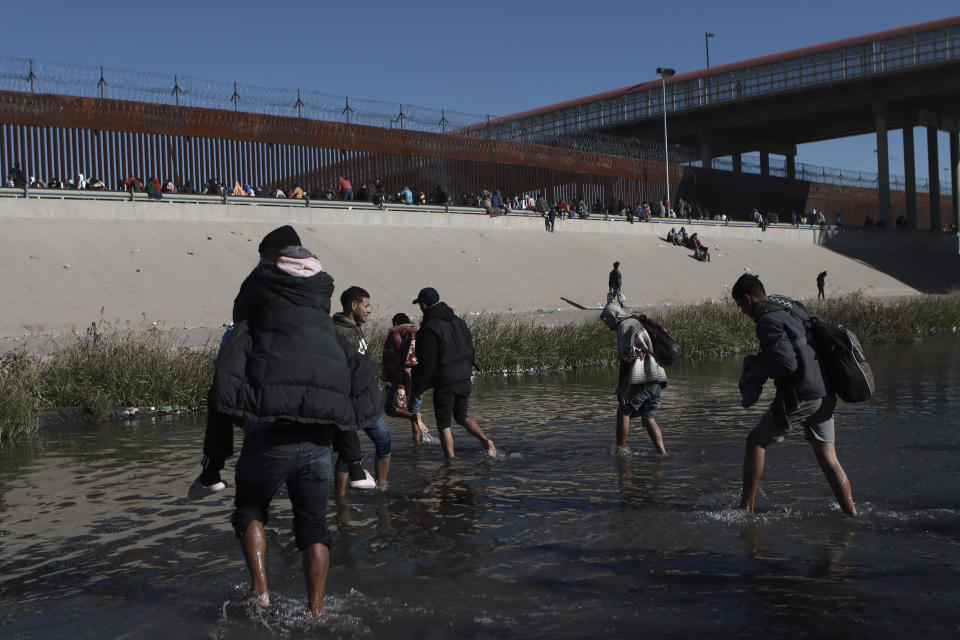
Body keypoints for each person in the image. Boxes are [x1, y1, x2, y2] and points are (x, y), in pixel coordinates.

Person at [199, 225, 360, 616]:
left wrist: (214, 462)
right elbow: (350, 388)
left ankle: (260, 592)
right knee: (314, 526)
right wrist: (353, 457)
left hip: (267, 435)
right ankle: (317, 612)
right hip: (319, 442)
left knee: (250, 509)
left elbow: (224, 387)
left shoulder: (251, 328)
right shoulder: (326, 330)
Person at [730, 273, 857, 515]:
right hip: (827, 389)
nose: (742, 312)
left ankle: (745, 511)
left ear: (747, 299)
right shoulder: (791, 307)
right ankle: (852, 514)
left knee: (755, 442)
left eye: (740, 306)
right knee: (829, 457)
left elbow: (787, 364)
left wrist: (758, 368)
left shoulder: (767, 320)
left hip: (804, 393)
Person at [409, 287, 496, 459]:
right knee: (461, 416)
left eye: (420, 304)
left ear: (424, 305)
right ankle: (486, 441)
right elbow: (470, 347)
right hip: (465, 376)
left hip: (445, 381)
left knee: (443, 423)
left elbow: (427, 363)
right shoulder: (458, 320)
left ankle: (450, 460)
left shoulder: (429, 327)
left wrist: (418, 388)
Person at [333, 286, 392, 494]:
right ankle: (340, 495)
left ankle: (382, 486)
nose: (369, 310)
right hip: (351, 403)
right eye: (366, 306)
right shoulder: (339, 332)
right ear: (353, 305)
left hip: (368, 400)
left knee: (383, 443)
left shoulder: (354, 327)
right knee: (348, 452)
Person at [600, 303, 668, 456]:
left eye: (606, 321)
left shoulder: (624, 326)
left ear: (612, 317)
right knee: (648, 417)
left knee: (623, 411)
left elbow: (627, 359)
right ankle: (663, 454)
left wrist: (623, 389)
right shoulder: (637, 321)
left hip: (642, 378)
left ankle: (621, 451)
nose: (608, 326)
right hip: (657, 375)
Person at [382, 312, 432, 443]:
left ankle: (413, 417)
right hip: (420, 377)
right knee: (415, 409)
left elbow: (393, 359)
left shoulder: (396, 331)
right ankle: (417, 444)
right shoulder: (418, 331)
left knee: (390, 409)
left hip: (402, 377)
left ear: (395, 323)